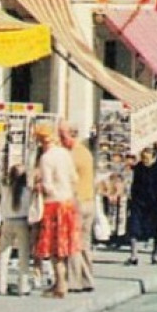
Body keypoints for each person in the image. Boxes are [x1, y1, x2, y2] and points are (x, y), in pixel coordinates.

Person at [33, 123, 79, 298]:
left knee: (54, 248)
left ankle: (60, 285)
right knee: (65, 246)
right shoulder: (65, 154)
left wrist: (38, 187)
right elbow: (74, 177)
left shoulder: (46, 158)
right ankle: (62, 282)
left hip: (54, 204)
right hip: (68, 201)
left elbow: (48, 186)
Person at [125, 144, 157, 265]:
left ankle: (155, 253)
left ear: (154, 158)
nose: (144, 160)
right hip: (139, 201)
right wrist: (132, 196)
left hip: (155, 202)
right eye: (143, 158)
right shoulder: (139, 168)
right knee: (133, 226)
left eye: (147, 158)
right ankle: (133, 255)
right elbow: (135, 183)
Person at [64, 123, 97, 293]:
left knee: (74, 242)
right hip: (89, 200)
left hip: (77, 201)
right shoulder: (85, 152)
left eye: (63, 137)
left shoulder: (73, 155)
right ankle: (87, 279)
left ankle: (74, 281)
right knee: (84, 243)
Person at [0, 163, 35, 297]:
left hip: (7, 220)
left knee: (4, 253)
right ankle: (23, 286)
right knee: (23, 255)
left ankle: (0, 285)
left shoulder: (5, 189)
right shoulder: (27, 191)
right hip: (22, 221)